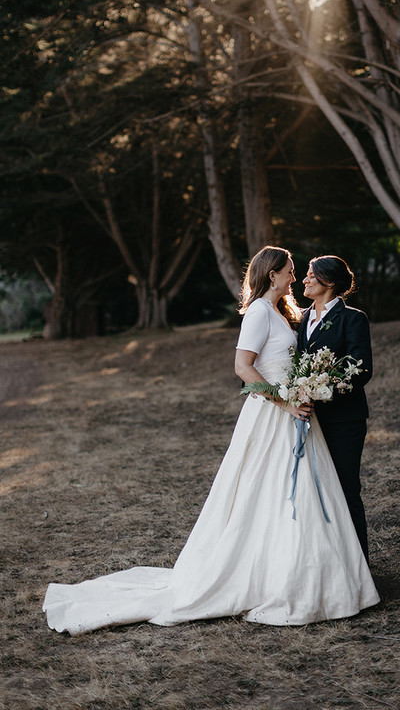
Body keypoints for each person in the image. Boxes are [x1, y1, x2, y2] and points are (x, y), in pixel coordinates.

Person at [43, 246, 379, 635]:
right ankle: (278, 575)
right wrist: (286, 401)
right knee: (269, 491)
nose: (296, 276)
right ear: (272, 275)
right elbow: (243, 366)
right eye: (290, 270)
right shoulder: (261, 312)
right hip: (277, 413)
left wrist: (309, 392)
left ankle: (330, 571)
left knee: (307, 493)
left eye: (300, 271)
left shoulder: (290, 314)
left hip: (305, 416)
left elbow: (327, 363)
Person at [299, 255, 373, 562]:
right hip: (307, 420)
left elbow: (361, 369)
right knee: (314, 490)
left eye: (311, 275)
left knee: (345, 488)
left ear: (328, 281)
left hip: (344, 421)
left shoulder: (352, 318)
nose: (305, 280)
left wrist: (322, 390)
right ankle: (328, 563)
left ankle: (358, 565)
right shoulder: (301, 318)